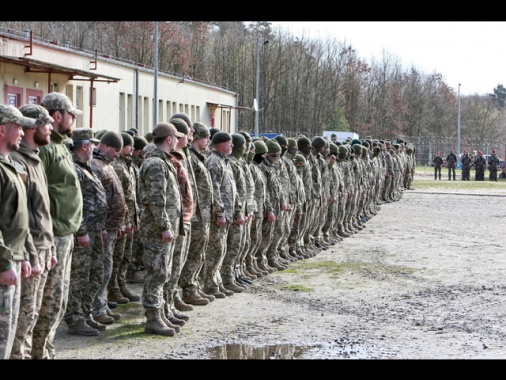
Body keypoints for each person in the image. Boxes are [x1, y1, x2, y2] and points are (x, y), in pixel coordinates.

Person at [32, 92, 83, 360]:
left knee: (59, 298)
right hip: (53, 233)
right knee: (49, 300)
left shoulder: (61, 144)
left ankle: (47, 348)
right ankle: (40, 352)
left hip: (66, 231)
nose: (74, 119)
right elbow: (38, 194)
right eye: (71, 114)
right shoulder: (46, 147)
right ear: (57, 115)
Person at [9, 105, 55, 359]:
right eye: (45, 124)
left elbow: (42, 208)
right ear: (31, 128)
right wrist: (32, 255)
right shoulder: (18, 161)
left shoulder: (36, 158)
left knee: (35, 313)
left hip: (43, 248)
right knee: (22, 320)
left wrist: (50, 248)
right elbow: (21, 213)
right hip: (29, 250)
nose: (49, 128)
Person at [138, 122, 184, 337]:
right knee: (157, 273)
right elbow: (157, 200)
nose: (178, 140)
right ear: (168, 139)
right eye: (176, 137)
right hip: (156, 229)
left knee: (162, 272)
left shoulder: (161, 161)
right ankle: (153, 318)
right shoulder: (156, 163)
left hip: (161, 228)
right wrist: (165, 226)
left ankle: (160, 313)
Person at [63, 128, 108, 336]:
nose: (95, 147)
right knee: (79, 277)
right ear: (84, 146)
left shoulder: (86, 167)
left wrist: (102, 227)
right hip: (84, 232)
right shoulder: (75, 168)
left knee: (95, 274)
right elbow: (73, 203)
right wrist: (81, 231)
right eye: (92, 144)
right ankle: (75, 319)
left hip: (95, 230)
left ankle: (85, 313)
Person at [0, 104, 35, 359]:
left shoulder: (9, 164)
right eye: (19, 127)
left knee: (9, 336)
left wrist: (23, 255)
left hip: (13, 258)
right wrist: (4, 263)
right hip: (3, 264)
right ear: (3, 130)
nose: (23, 133)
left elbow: (17, 216)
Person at [90, 131, 126, 325]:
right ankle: (96, 308)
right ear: (104, 146)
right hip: (102, 228)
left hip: (111, 227)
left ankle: (101, 305)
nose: (117, 154)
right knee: (101, 270)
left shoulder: (107, 166)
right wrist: (103, 225)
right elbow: (97, 200)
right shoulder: (96, 166)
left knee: (107, 268)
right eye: (115, 149)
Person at [162, 118, 195, 326]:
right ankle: (162, 309)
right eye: (186, 135)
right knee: (165, 270)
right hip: (173, 222)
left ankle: (170, 304)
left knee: (175, 266)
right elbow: (160, 199)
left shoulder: (182, 157)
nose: (190, 138)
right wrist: (167, 225)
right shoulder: (165, 161)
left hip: (182, 220)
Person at [179, 122, 215, 304]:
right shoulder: (190, 157)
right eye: (206, 137)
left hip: (202, 213)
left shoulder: (199, 157)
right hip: (194, 215)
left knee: (199, 253)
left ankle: (193, 286)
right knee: (190, 254)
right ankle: (187, 290)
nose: (208, 141)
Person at [202, 131, 239, 298]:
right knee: (215, 251)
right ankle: (210, 285)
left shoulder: (225, 162)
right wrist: (220, 212)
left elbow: (232, 189)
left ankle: (218, 282)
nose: (232, 146)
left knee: (221, 250)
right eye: (229, 143)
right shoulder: (214, 162)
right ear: (221, 144)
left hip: (227, 214)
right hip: (218, 216)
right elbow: (214, 190)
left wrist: (236, 210)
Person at [107, 132, 140, 305]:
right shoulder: (118, 166)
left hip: (130, 217)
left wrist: (134, 219)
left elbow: (132, 195)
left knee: (126, 255)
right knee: (116, 256)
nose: (132, 148)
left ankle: (121, 284)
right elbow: (119, 196)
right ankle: (112, 288)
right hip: (121, 219)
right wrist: (124, 220)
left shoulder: (128, 165)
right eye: (129, 145)